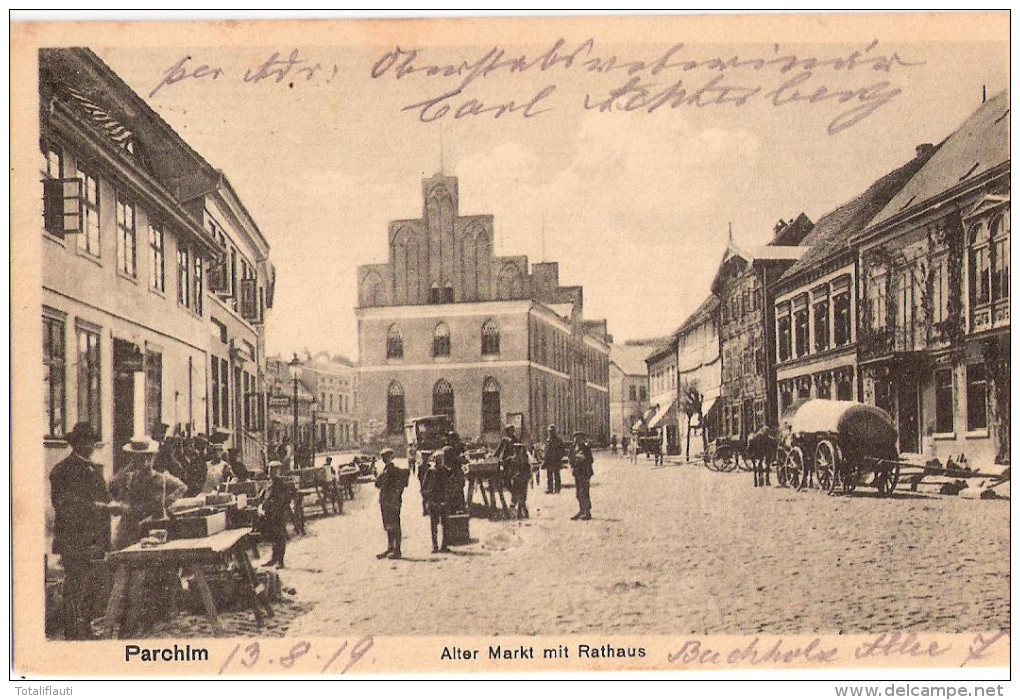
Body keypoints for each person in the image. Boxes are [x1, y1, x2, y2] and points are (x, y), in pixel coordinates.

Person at [49, 422, 114, 640]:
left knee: (90, 587)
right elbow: (66, 504)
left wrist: (109, 506)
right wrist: (100, 507)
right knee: (76, 586)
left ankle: (84, 629)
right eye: (84, 441)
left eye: (92, 441)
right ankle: (72, 633)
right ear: (74, 443)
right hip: (74, 538)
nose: (89, 445)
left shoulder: (93, 468)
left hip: (93, 538)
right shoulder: (62, 470)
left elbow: (104, 497)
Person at [109, 434, 187, 550]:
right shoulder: (130, 477)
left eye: (142, 457)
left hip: (150, 528)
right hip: (129, 527)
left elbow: (155, 506)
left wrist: (126, 509)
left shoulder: (157, 478)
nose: (136, 461)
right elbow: (114, 486)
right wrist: (118, 506)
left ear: (150, 458)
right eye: (134, 457)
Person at [374, 448, 409, 560]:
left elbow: (404, 481)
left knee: (394, 525)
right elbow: (377, 484)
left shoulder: (395, 470)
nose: (384, 459)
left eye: (386, 457)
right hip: (385, 501)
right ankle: (390, 547)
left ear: (391, 458)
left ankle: (397, 550)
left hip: (392, 501)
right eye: (383, 457)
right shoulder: (385, 470)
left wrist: (398, 494)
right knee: (388, 525)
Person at [259, 461, 295, 568]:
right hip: (269, 514)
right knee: (273, 537)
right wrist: (262, 506)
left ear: (278, 471)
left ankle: (280, 561)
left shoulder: (280, 484)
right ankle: (274, 558)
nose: (271, 472)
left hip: (278, 514)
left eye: (274, 470)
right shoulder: (269, 483)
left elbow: (285, 499)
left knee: (279, 537)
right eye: (270, 469)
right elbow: (263, 496)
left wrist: (277, 509)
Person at [421, 447, 454, 553]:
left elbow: (452, 485)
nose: (438, 461)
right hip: (434, 501)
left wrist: (449, 497)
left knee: (445, 524)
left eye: (440, 459)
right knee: (434, 524)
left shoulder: (447, 471)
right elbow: (424, 487)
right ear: (434, 460)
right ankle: (435, 546)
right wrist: (427, 499)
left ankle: (444, 546)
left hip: (444, 501)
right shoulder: (430, 471)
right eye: (436, 459)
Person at [569, 431, 594, 521]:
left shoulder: (586, 448)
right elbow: (570, 459)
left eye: (578, 438)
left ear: (581, 439)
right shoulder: (572, 448)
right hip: (577, 473)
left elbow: (591, 459)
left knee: (584, 492)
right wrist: (574, 460)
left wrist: (583, 459)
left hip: (585, 473)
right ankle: (581, 510)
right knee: (578, 493)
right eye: (575, 438)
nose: (576, 440)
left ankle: (587, 512)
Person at [444, 432, 467, 514]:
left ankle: (459, 507)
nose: (455, 441)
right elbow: (458, 460)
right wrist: (463, 459)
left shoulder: (449, 448)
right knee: (457, 489)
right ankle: (459, 508)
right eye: (454, 439)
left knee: (458, 489)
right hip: (453, 472)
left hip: (452, 472)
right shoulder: (449, 449)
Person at [542, 424, 566, 494]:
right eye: (549, 431)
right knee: (549, 475)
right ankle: (550, 488)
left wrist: (559, 458)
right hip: (549, 461)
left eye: (552, 431)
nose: (550, 433)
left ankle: (557, 488)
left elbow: (562, 451)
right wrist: (544, 459)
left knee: (556, 475)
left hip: (556, 460)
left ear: (554, 431)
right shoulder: (548, 440)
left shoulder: (558, 440)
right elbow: (546, 450)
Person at [510, 442, 531, 519]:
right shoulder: (513, 459)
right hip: (517, 481)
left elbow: (527, 471)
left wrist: (524, 476)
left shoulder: (524, 459)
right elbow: (512, 470)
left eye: (518, 450)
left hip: (522, 480)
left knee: (521, 497)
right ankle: (521, 513)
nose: (516, 451)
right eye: (515, 449)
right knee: (519, 497)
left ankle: (523, 513)